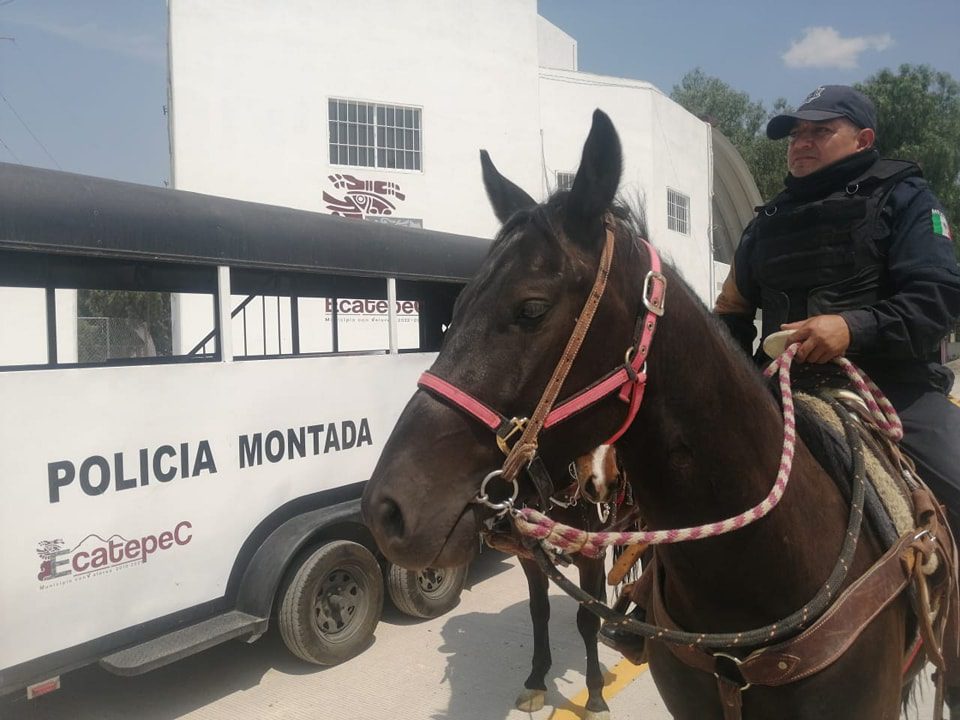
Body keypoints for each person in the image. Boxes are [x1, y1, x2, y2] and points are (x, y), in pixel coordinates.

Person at [714, 84, 960, 537]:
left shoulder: (905, 198)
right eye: (795, 135)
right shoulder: (764, 223)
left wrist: (852, 327)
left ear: (863, 140)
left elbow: (937, 298)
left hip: (893, 392)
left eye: (820, 131)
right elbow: (730, 313)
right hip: (778, 390)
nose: (801, 142)